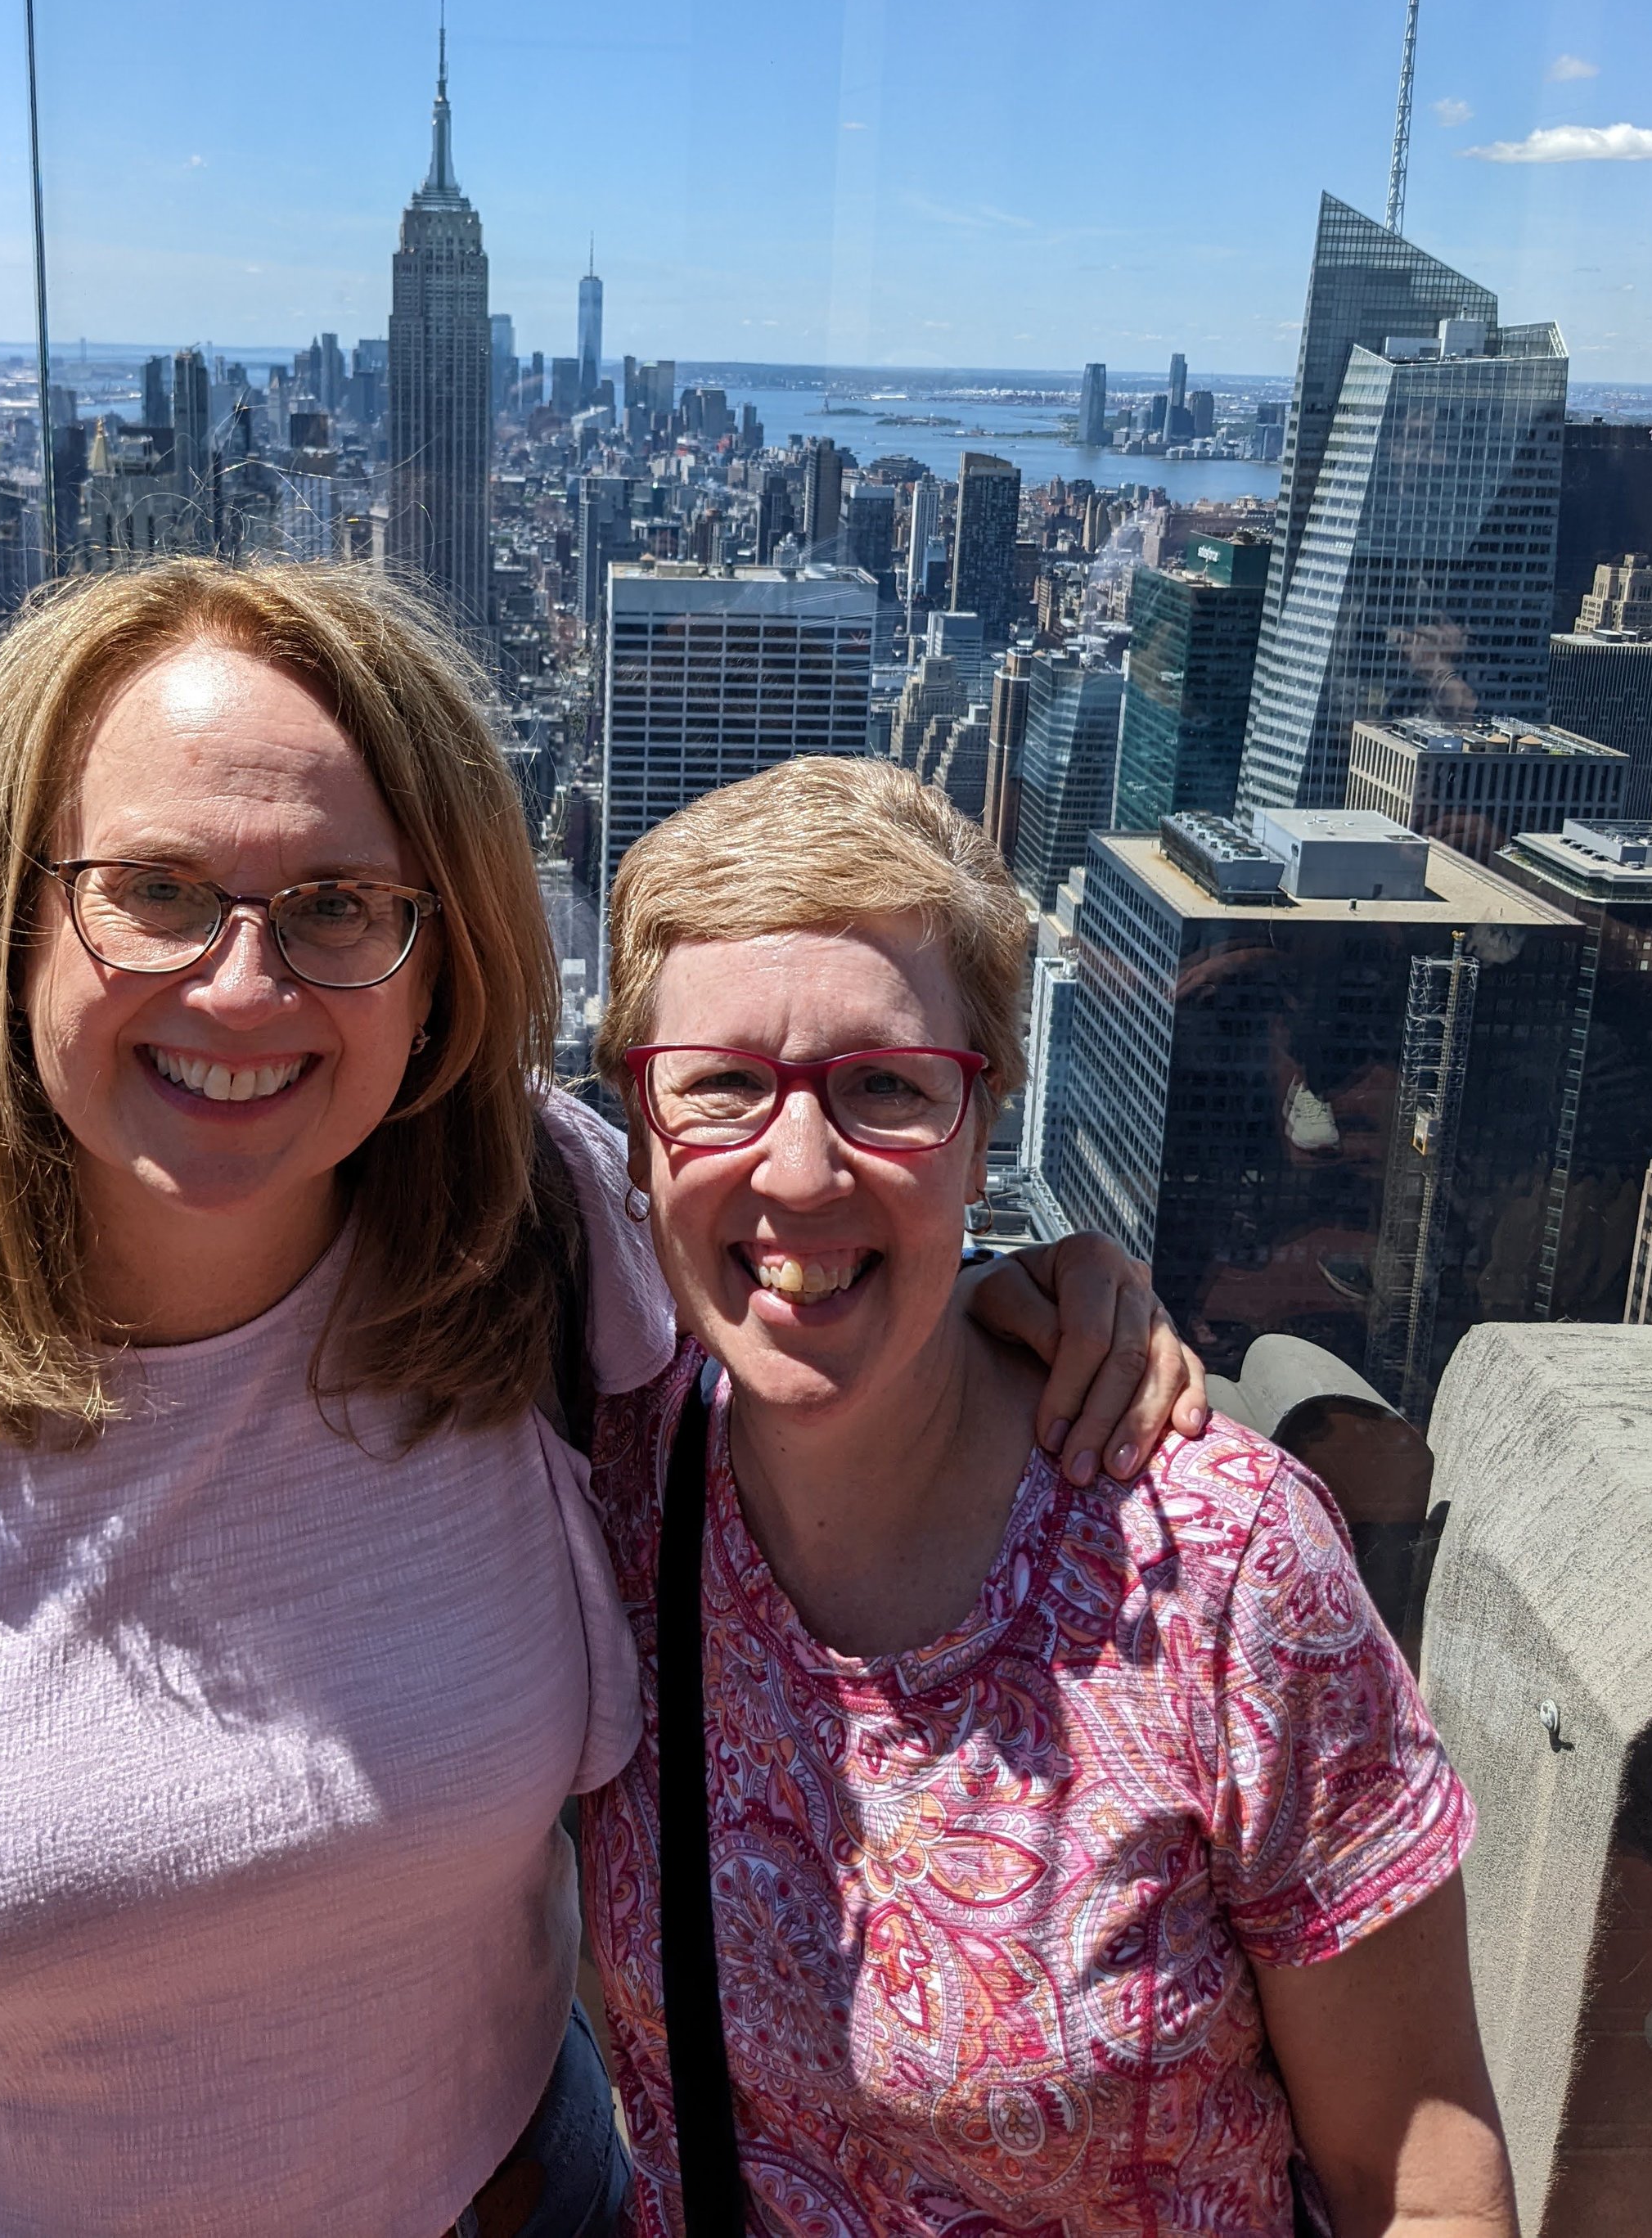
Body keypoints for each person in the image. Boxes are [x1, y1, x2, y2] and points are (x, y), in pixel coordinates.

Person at [0, 559, 1200, 2238]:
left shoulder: (538, 1240)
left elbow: (796, 1248)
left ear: (435, 962)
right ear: (16, 917)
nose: (243, 986)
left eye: (333, 904)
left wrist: (1006, 1299)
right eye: (153, 889)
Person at [583, 756, 1519, 2238]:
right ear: (636, 1131)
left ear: (985, 1122)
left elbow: (1414, 2159)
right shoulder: (603, 1498)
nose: (803, 1164)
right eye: (722, 1086)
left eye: (888, 1085)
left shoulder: (1216, 1566)